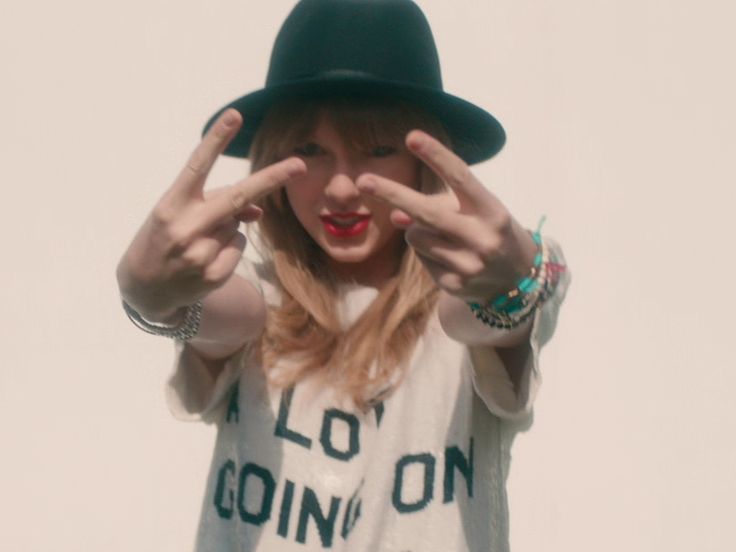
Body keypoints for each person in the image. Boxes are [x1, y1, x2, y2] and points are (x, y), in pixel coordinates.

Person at [116, 1, 570, 550]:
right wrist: (152, 297)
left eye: (376, 149)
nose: (340, 188)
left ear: (421, 161)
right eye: (311, 150)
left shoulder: (462, 298)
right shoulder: (261, 288)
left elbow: (479, 316)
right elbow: (219, 314)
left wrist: (508, 288)